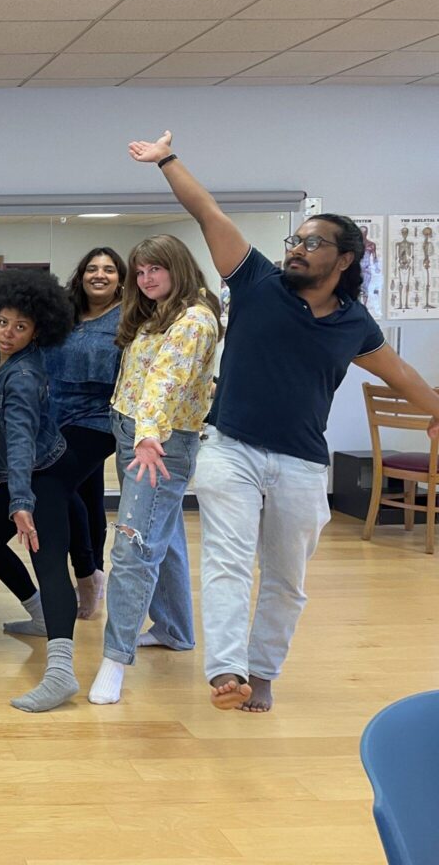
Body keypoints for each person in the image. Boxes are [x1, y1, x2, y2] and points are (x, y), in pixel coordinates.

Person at [128, 131, 439, 712]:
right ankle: (226, 670)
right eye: (296, 239)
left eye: (313, 243)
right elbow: (207, 211)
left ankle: (263, 672)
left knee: (287, 577)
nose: (297, 248)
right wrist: (166, 160)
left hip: (300, 461)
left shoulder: (353, 323)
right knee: (226, 558)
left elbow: (401, 376)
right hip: (231, 448)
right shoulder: (255, 283)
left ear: (343, 260)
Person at [86, 235, 220, 705]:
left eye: (154, 271)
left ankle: (115, 659)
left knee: (132, 547)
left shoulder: (194, 320)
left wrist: (147, 434)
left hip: (157, 443)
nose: (145, 280)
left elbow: (166, 380)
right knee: (165, 535)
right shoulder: (158, 312)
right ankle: (175, 629)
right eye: (140, 272)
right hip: (132, 431)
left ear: (177, 268)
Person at [0, 269, 88, 711]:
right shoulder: (5, 353)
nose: (7, 333)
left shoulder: (20, 377)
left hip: (42, 475)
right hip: (39, 468)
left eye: (20, 327)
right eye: (3, 322)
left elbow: (19, 441)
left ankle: (61, 674)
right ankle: (39, 616)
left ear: (38, 330)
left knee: (48, 562)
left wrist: (22, 502)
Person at [41, 248, 126, 623]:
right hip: (56, 413)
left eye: (109, 269)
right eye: (92, 267)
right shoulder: (67, 314)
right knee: (88, 494)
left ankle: (86, 573)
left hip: (98, 419)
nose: (100, 275)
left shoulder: (129, 318)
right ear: (81, 274)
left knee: (58, 486)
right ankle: (96, 571)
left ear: (120, 278)